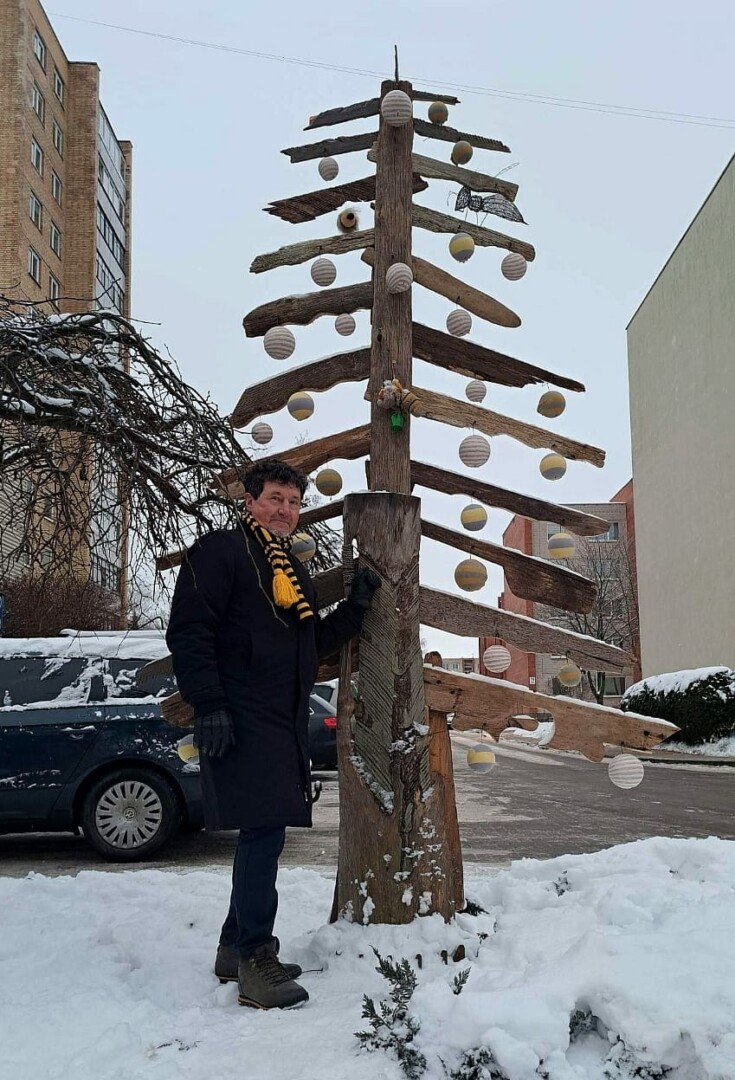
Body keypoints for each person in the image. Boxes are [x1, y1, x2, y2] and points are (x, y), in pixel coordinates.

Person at [166, 459, 379, 1010]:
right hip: (238, 712)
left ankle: (233, 947)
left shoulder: (288, 569)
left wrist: (356, 607)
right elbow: (189, 631)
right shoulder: (219, 552)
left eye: (293, 501)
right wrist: (208, 703)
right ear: (249, 502)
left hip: (280, 718)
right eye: (275, 499)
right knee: (262, 831)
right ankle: (255, 956)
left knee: (266, 831)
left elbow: (313, 643)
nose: (286, 509)